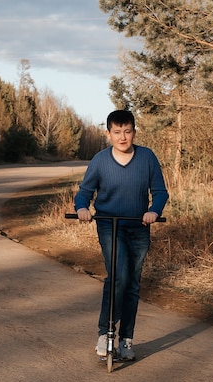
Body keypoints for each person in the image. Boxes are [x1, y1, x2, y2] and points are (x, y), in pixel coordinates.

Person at [74, 109, 169, 360]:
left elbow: (160, 192)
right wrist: (82, 208)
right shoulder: (100, 161)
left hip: (139, 226)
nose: (123, 137)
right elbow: (84, 192)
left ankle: (126, 338)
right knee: (118, 276)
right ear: (108, 134)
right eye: (117, 132)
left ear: (134, 132)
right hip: (109, 225)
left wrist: (154, 211)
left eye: (127, 131)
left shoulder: (147, 157)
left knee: (133, 283)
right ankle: (106, 332)